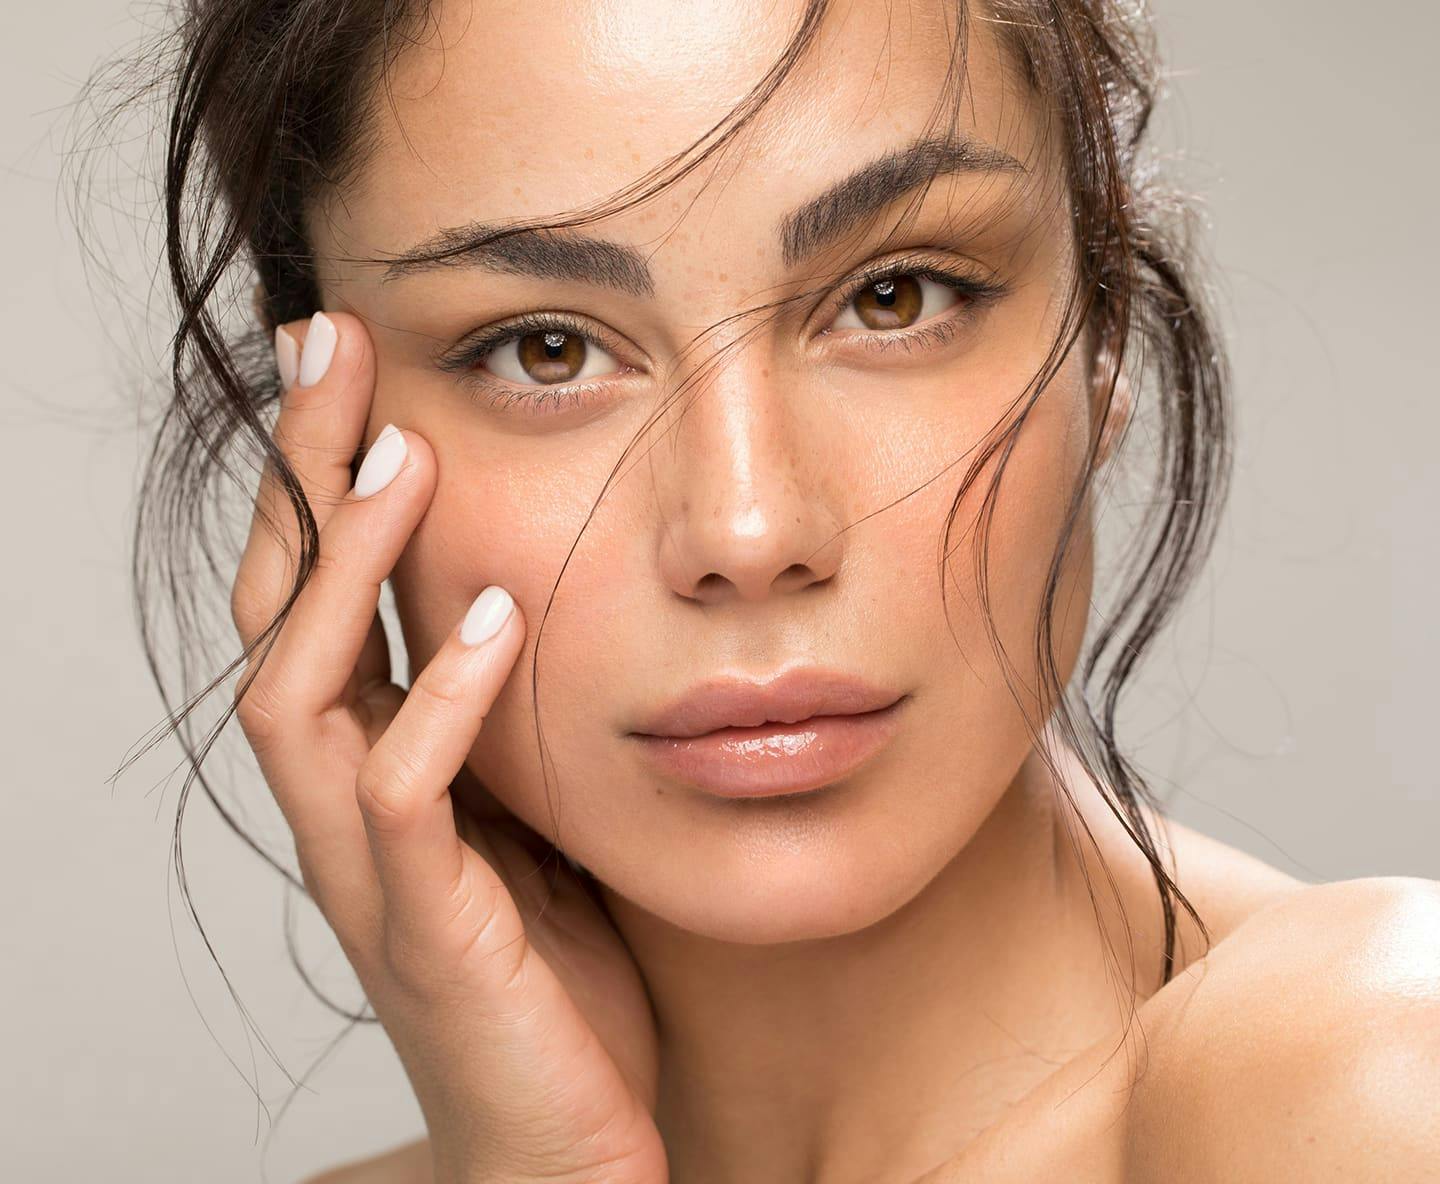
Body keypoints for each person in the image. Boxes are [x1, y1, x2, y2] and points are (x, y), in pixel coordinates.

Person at [107, 0, 1439, 1180]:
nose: (748, 530)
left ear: (1099, 324)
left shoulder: (1372, 1088)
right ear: (324, 443)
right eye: (548, 346)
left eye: (895, 295)